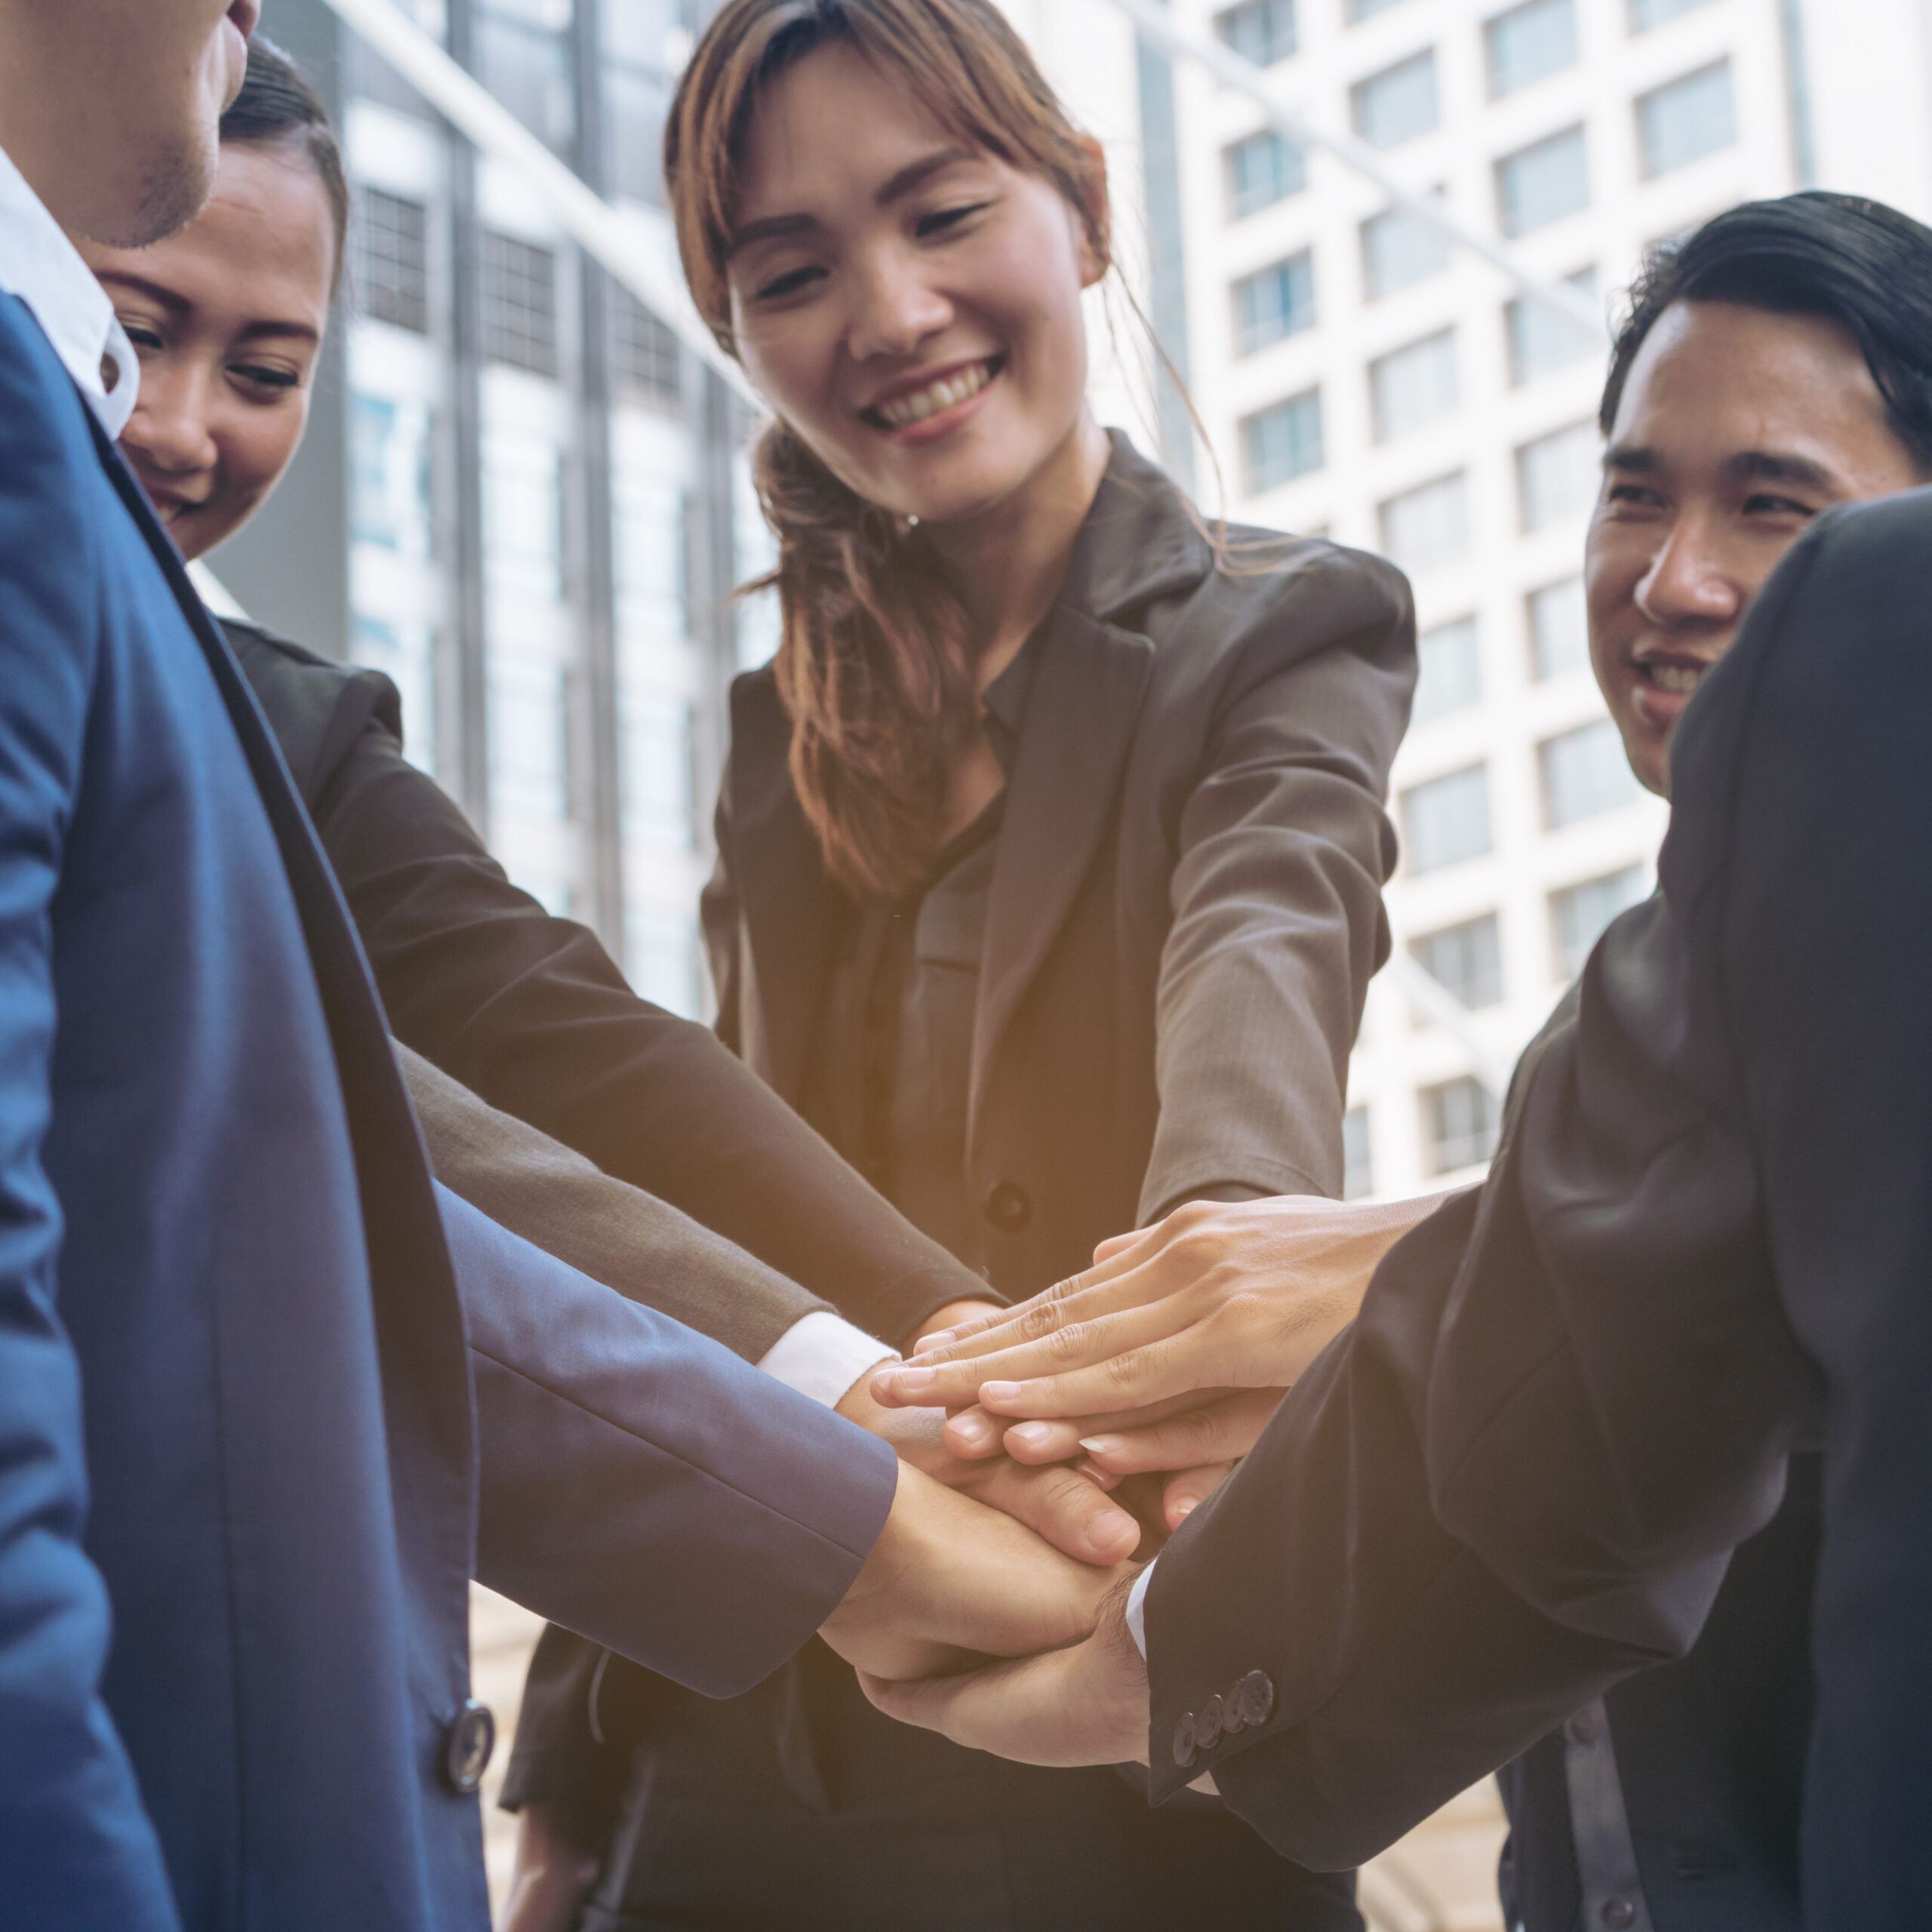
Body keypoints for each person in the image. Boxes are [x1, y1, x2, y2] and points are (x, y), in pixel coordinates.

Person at [0, 5, 1110, 1926]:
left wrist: (965, 1385)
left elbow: (563, 1053)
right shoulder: (37, 497)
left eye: (266, 365)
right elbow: (363, 1173)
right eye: (133, 330)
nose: (175, 422)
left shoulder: (281, 711)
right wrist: (933, 1461)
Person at [866, 195, 1932, 1932]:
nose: (1671, 578)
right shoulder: (1603, 1052)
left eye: (1774, 504)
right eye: (1632, 491)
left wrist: (1156, 1644)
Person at [502, 1, 1415, 1926]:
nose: (890, 314)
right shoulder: (785, 726)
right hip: (756, 1737)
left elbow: (1265, 942)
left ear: (1079, 206)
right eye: (792, 272)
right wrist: (578, 1757)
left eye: (939, 213)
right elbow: (688, 1189)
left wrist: (1217, 1285)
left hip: (1116, 1701)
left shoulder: (1277, 629)